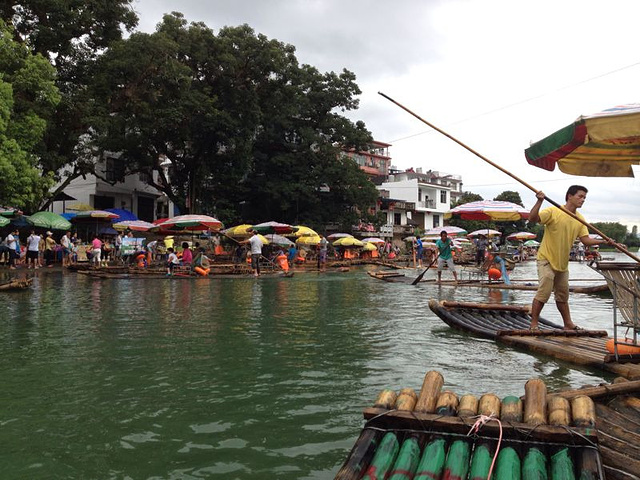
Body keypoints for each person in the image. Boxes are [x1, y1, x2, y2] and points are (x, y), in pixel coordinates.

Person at [528, 186, 618, 330]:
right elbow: (532, 218)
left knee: (563, 295)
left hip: (562, 264)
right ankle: (534, 324)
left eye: (584, 198)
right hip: (546, 259)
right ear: (569, 196)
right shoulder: (553, 211)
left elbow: (585, 240)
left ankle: (568, 324)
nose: (582, 200)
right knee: (544, 291)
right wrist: (539, 202)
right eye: (580, 196)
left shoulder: (579, 219)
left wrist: (604, 241)